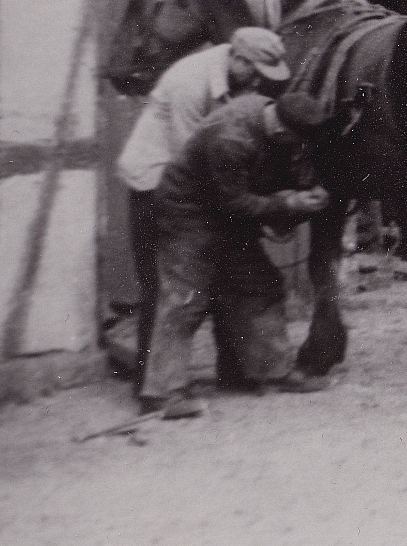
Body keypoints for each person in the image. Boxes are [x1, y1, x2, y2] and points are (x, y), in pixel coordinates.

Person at [115, 27, 293, 387]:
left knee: (232, 275)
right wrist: (254, 208)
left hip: (201, 185)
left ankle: (237, 372)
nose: (258, 81)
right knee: (167, 287)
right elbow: (195, 158)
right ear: (238, 57)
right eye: (254, 70)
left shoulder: (238, 79)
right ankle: (153, 388)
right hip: (156, 182)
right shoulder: (189, 83)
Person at [137, 91, 333, 418]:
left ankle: (269, 371)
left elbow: (267, 177)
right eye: (297, 142)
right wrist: (287, 203)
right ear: (282, 131)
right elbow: (234, 204)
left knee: (260, 286)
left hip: (223, 212)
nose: (298, 148)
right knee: (185, 300)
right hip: (188, 214)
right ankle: (162, 395)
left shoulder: (271, 115)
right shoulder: (231, 140)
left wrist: (306, 187)